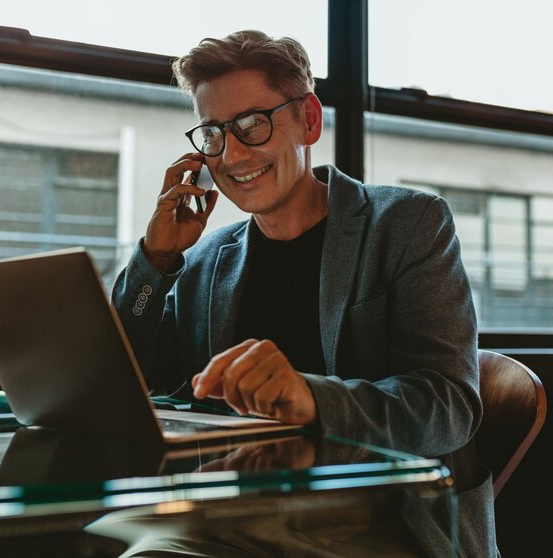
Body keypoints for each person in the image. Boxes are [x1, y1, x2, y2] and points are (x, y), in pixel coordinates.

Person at [113, 30, 497, 555]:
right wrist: (155, 262)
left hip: (389, 518)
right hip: (243, 513)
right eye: (214, 134)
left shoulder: (408, 224)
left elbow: (447, 408)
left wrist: (310, 398)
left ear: (309, 120)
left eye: (253, 124)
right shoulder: (205, 261)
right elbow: (137, 381)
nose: (232, 154)